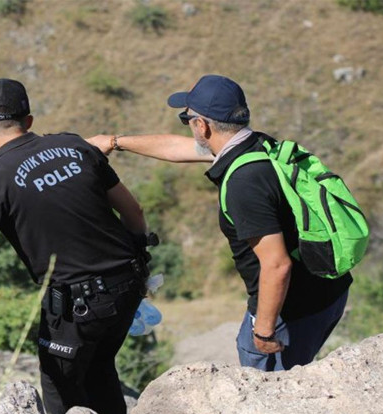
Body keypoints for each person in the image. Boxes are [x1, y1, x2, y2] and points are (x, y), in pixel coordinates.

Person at [0, 78, 152, 414]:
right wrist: (139, 264)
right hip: (127, 285)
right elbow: (134, 212)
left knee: (61, 388)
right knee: (99, 365)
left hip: (78, 306)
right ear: (29, 120)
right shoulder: (76, 146)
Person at [87, 74, 352, 371]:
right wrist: (114, 142)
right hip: (328, 290)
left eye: (187, 119)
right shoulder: (259, 146)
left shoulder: (243, 182)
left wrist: (264, 331)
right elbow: (177, 148)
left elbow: (277, 265)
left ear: (202, 126)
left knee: (264, 386)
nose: (188, 127)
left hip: (292, 311)